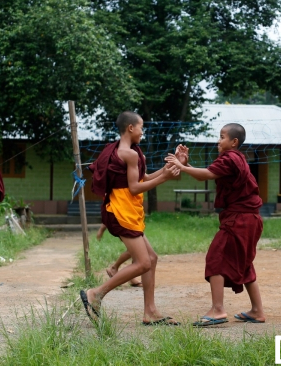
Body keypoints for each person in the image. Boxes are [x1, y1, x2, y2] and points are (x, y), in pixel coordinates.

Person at [80, 111, 181, 325]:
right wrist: (165, 177)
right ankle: (96, 294)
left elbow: (142, 178)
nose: (143, 132)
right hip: (121, 212)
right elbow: (135, 188)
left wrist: (169, 167)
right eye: (141, 127)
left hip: (125, 210)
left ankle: (150, 312)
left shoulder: (127, 151)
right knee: (144, 262)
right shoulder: (130, 154)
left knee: (151, 259)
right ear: (131, 128)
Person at [165, 123, 265, 327]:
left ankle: (218, 310)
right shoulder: (235, 159)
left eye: (222, 137)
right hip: (249, 218)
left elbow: (209, 174)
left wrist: (182, 166)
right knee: (244, 263)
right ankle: (257, 311)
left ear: (234, 142)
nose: (218, 141)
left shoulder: (231, 158)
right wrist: (187, 165)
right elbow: (211, 172)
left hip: (240, 218)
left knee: (216, 257)